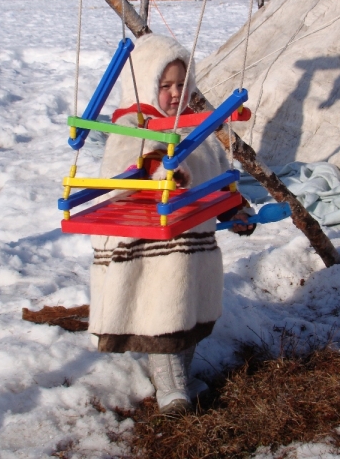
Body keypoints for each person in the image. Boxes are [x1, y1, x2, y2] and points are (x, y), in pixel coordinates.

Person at [89, 33, 254, 415]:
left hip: (192, 245)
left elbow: (217, 178)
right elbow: (131, 165)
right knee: (162, 319)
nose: (175, 93)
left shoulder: (198, 130)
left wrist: (235, 211)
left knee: (187, 318)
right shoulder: (133, 123)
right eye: (165, 86)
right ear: (148, 82)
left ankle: (180, 378)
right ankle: (171, 392)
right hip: (152, 249)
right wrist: (159, 170)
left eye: (182, 84)